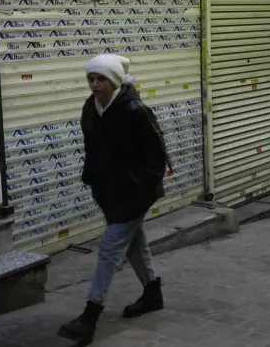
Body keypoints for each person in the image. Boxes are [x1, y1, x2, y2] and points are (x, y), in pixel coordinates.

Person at [58, 54, 172, 345]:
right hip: (108, 191)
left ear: (115, 81)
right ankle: (152, 293)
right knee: (134, 241)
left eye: (101, 79)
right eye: (91, 79)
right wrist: (94, 179)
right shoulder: (90, 108)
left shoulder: (135, 110)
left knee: (109, 248)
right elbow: (94, 149)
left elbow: (157, 157)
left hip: (135, 193)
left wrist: (138, 185)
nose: (94, 85)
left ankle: (90, 314)